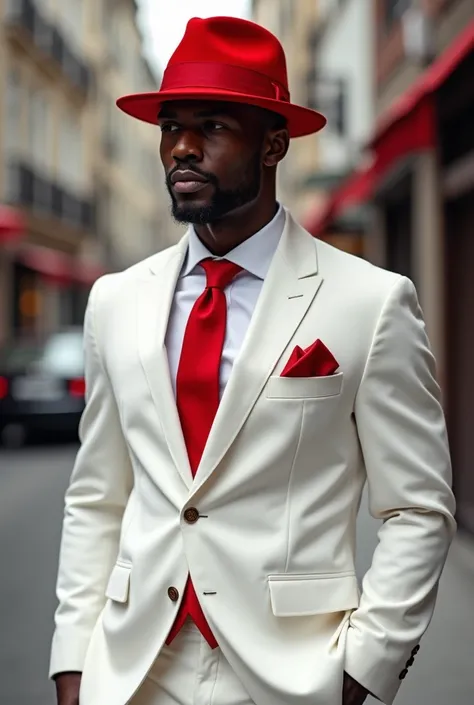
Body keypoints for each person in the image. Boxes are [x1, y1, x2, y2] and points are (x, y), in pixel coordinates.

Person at [50, 16, 456, 705]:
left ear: (274, 145)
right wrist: (72, 669)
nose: (180, 147)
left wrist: (363, 671)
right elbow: (96, 497)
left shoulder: (371, 303)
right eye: (170, 125)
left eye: (211, 127)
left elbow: (418, 509)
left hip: (291, 676)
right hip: (131, 671)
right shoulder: (116, 302)